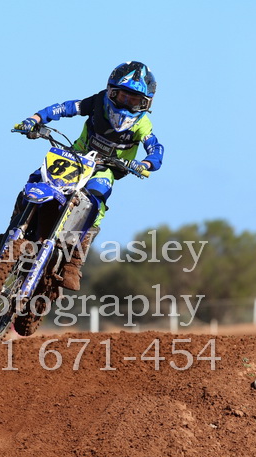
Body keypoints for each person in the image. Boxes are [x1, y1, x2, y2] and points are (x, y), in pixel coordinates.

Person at [8, 61, 164, 290]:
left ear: (145, 103)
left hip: (106, 169)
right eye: (122, 96)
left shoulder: (143, 124)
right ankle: (11, 233)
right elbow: (65, 108)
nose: (126, 102)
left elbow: (156, 149)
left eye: (133, 100)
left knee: (96, 202)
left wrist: (144, 164)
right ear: (112, 91)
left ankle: (73, 263)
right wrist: (35, 119)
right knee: (36, 179)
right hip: (75, 157)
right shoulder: (98, 102)